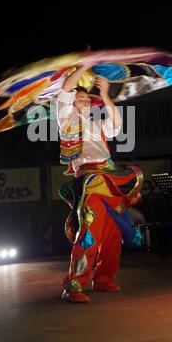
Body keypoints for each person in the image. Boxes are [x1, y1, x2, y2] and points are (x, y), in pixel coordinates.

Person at [57, 63, 143, 303]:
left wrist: (105, 95)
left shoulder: (96, 126)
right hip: (88, 182)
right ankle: (74, 284)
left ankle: (104, 278)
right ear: (72, 102)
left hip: (108, 181)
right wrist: (84, 64)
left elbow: (116, 125)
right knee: (89, 232)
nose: (84, 102)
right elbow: (65, 89)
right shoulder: (66, 122)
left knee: (113, 233)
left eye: (87, 100)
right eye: (79, 98)